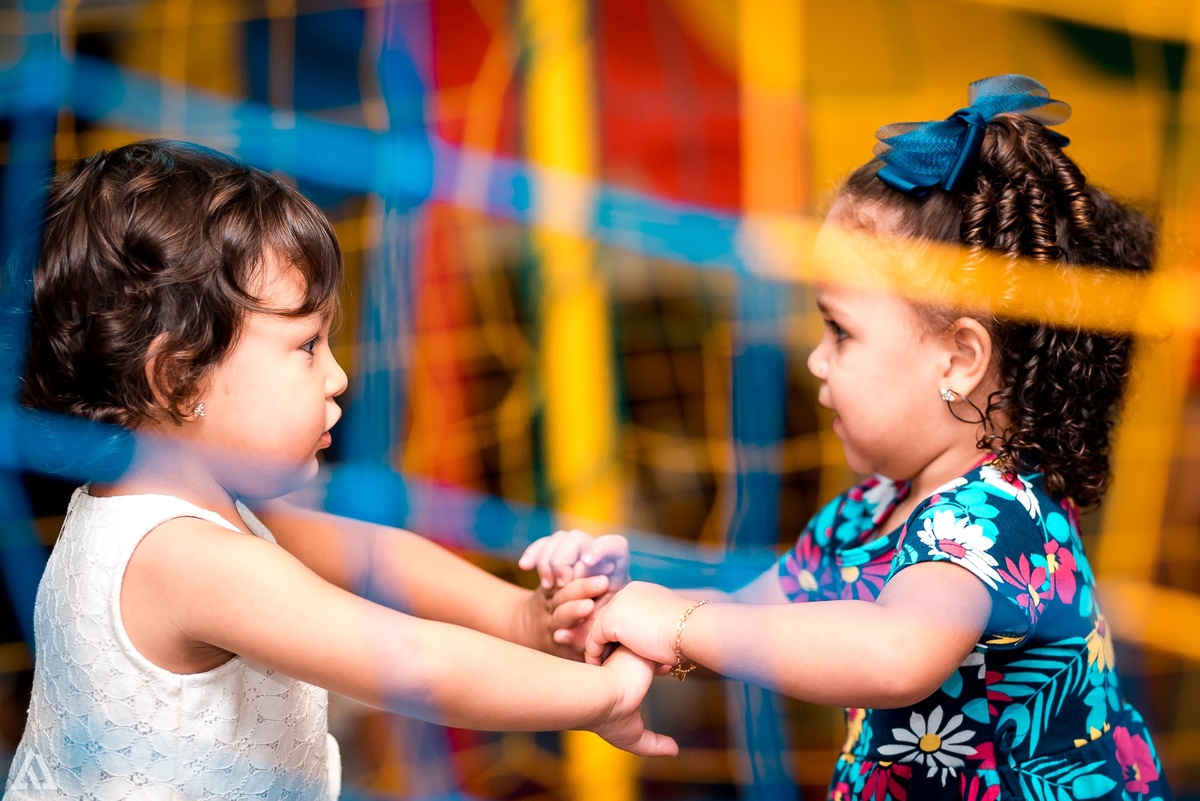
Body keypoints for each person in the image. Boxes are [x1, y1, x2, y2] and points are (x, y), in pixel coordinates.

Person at [521, 75, 1172, 799]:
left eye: (841, 331)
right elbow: (750, 617)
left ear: (959, 360)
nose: (815, 359)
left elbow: (895, 653)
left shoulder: (1000, 518)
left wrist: (676, 622)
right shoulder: (868, 510)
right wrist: (624, 598)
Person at [6, 139, 675, 801]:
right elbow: (409, 663)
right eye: (306, 346)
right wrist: (604, 695)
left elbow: (371, 555)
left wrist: (525, 616)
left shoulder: (196, 505)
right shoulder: (180, 555)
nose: (338, 376)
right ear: (179, 378)